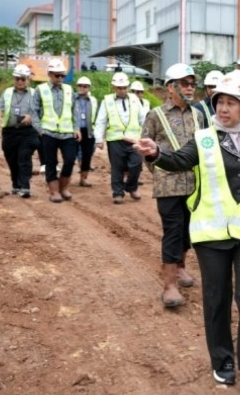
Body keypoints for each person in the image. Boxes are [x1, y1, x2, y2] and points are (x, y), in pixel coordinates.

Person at [135, 70, 240, 395]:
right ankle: (223, 360)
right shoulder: (204, 139)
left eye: (231, 103)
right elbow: (177, 160)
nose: (224, 109)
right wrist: (156, 153)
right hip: (211, 231)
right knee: (217, 298)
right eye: (220, 102)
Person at [141, 63, 206, 308]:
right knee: (173, 232)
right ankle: (169, 285)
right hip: (168, 187)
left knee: (189, 231)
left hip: (194, 185)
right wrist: (160, 173)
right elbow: (146, 149)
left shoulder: (198, 115)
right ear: (171, 87)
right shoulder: (155, 115)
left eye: (192, 84)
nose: (190, 88)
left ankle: (180, 268)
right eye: (185, 83)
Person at [94, 72, 148, 204]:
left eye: (124, 87)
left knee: (136, 164)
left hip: (134, 139)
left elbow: (143, 119)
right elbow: (101, 121)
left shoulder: (135, 100)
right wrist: (98, 139)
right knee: (117, 167)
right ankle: (118, 193)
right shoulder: (107, 101)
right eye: (119, 88)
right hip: (115, 140)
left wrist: (147, 136)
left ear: (128, 87)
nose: (122, 90)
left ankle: (131, 187)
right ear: (114, 87)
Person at [34, 58, 80, 203]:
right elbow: (34, 110)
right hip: (48, 132)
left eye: (62, 75)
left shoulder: (68, 89)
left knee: (70, 160)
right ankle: (54, 191)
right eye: (57, 75)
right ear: (49, 74)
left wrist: (76, 128)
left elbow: (75, 110)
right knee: (50, 162)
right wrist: (39, 128)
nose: (60, 78)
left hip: (67, 133)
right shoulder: (40, 90)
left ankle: (64, 187)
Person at [0, 65, 42, 198]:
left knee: (24, 157)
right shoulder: (8, 92)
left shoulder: (34, 94)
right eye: (17, 79)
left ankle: (25, 186)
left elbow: (41, 111)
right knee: (11, 159)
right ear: (14, 79)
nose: (20, 81)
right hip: (10, 131)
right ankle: (16, 183)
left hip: (28, 131)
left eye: (23, 79)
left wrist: (31, 117)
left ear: (28, 79)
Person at [74, 76, 99, 187]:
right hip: (74, 130)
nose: (82, 88)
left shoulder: (93, 100)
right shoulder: (72, 98)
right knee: (71, 155)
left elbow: (96, 116)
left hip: (88, 130)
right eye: (80, 86)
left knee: (87, 155)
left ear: (89, 88)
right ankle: (66, 177)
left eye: (85, 86)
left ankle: (83, 179)